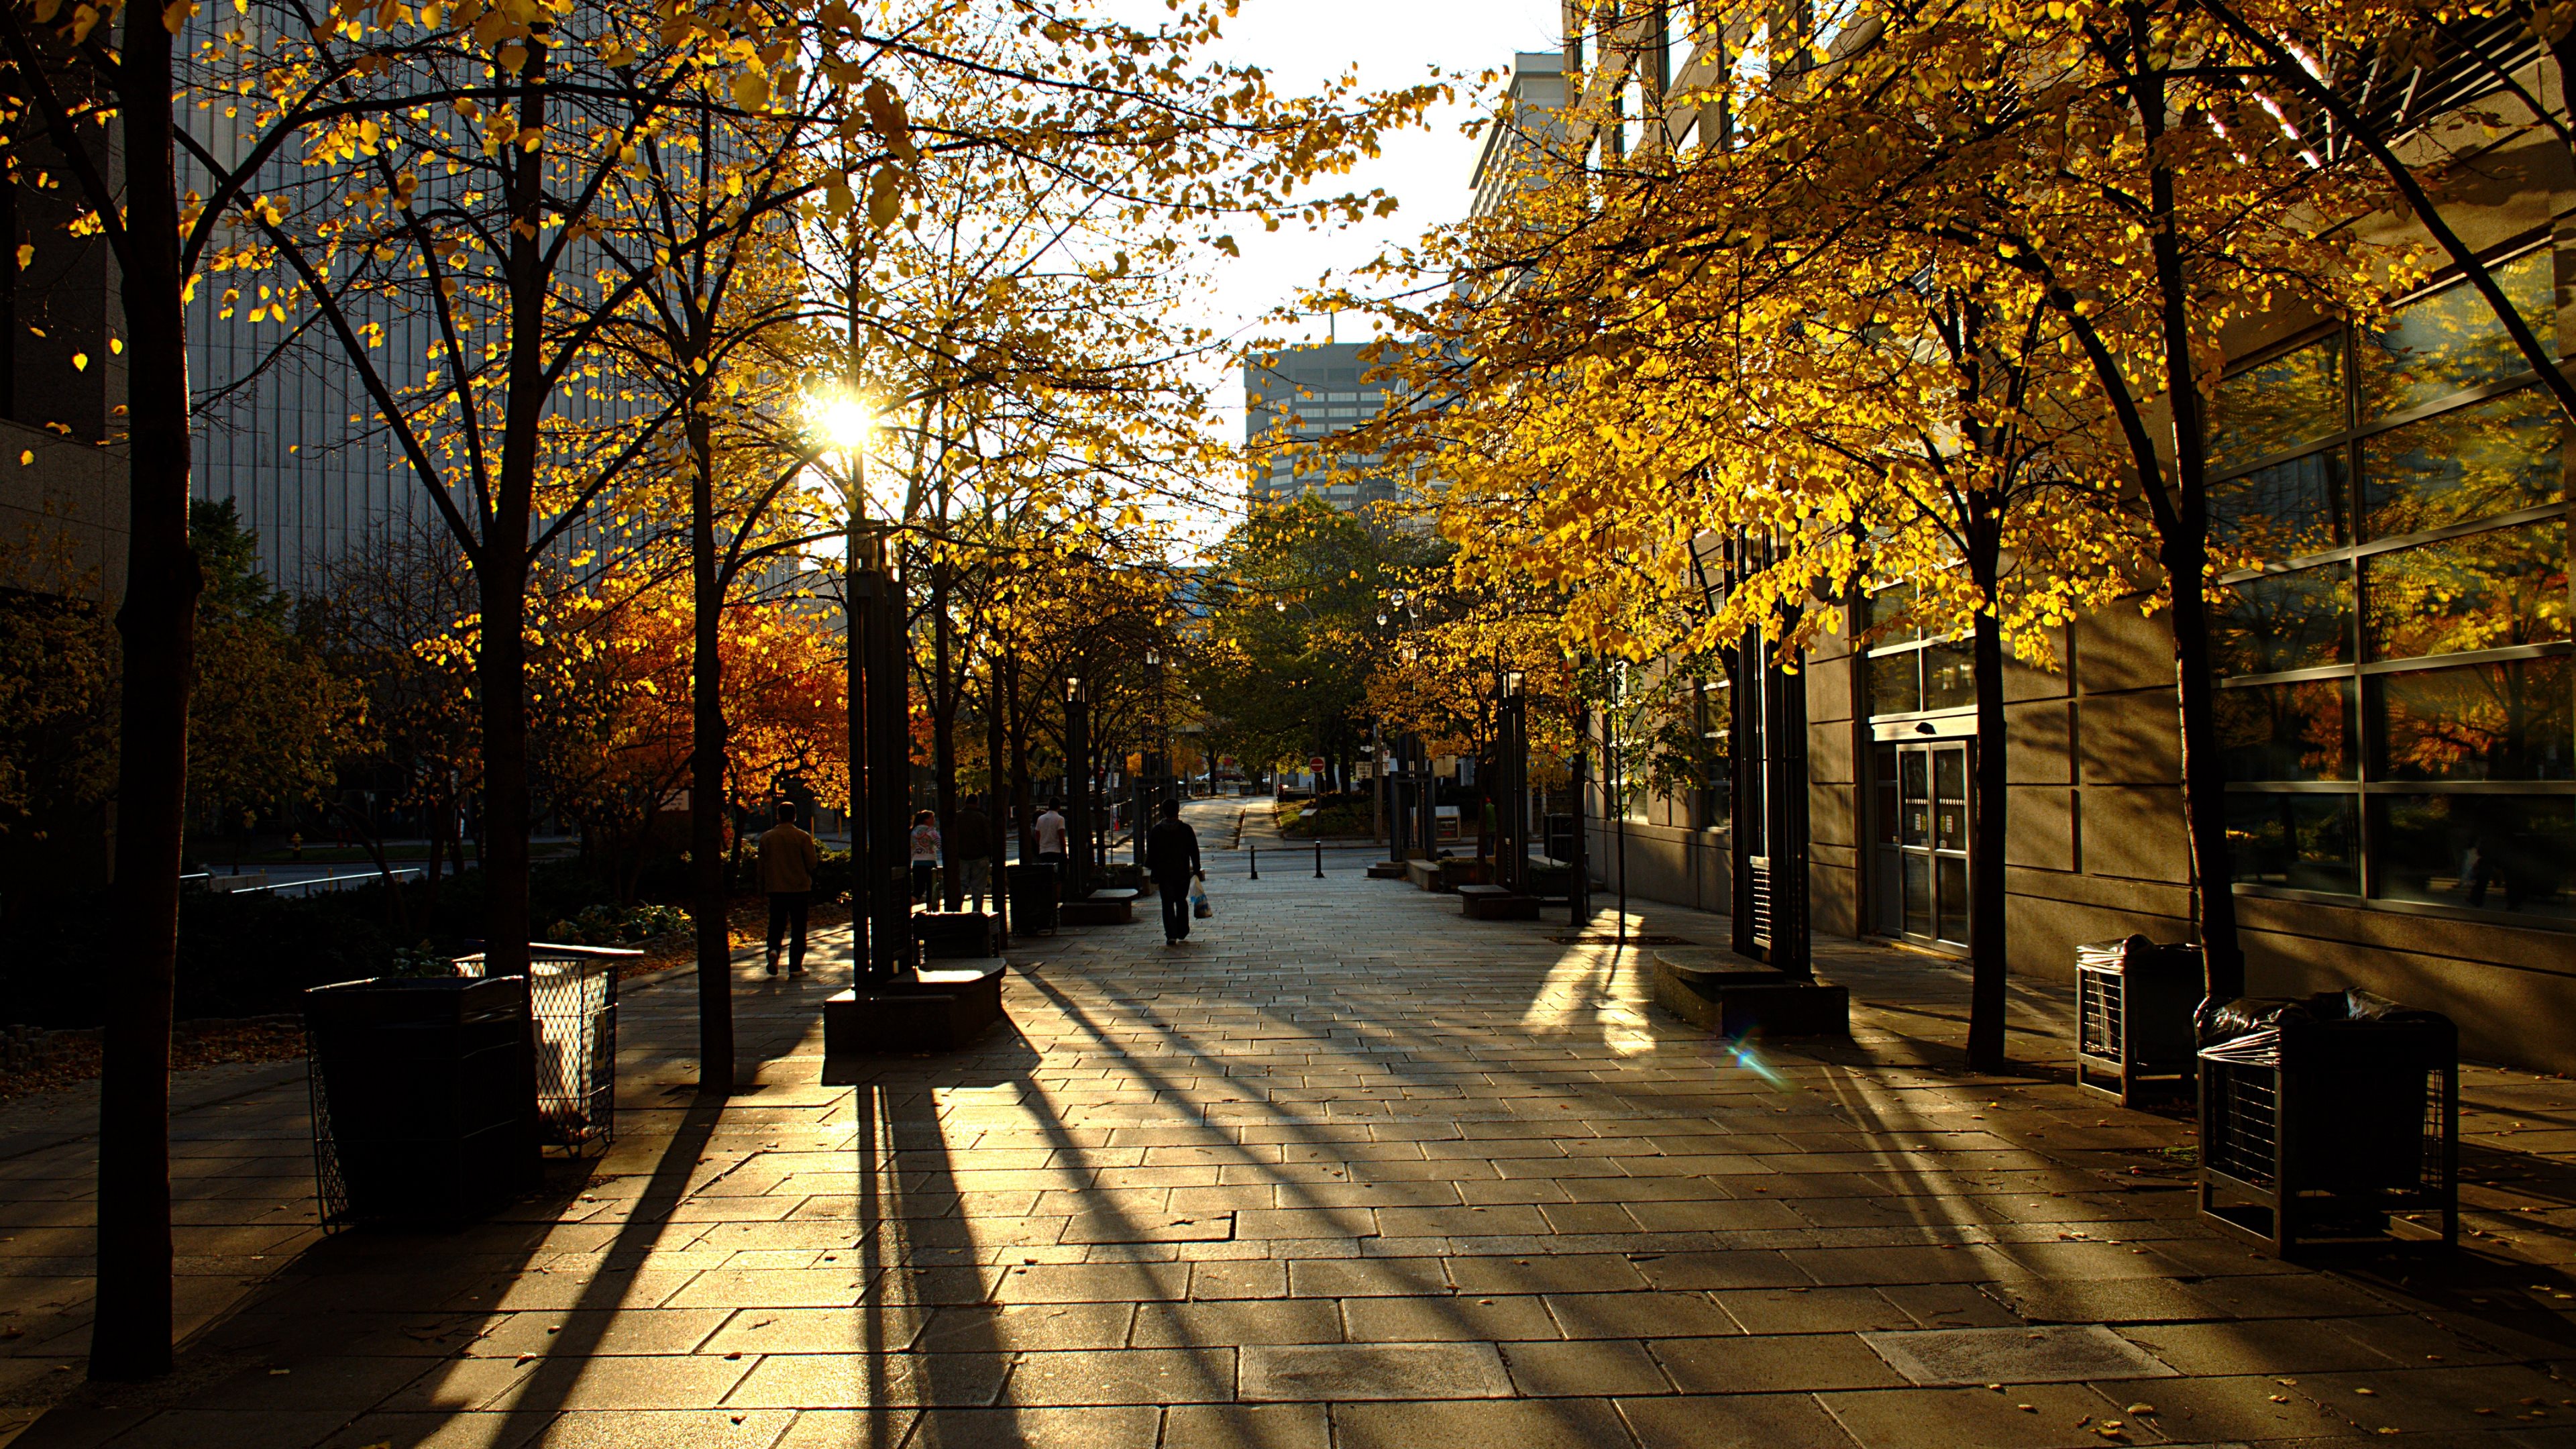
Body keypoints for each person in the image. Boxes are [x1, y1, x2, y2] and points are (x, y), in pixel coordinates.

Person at [757, 801, 821, 977]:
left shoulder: (767, 838)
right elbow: (812, 863)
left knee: (776, 924)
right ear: (794, 816)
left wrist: (762, 887)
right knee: (799, 928)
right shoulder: (802, 837)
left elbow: (761, 867)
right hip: (799, 888)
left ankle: (774, 950)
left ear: (778, 816)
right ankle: (795, 966)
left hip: (776, 888)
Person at [1143, 799, 1203, 947]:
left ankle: (1171, 934)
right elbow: (1194, 851)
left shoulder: (1156, 831)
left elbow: (1151, 853)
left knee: (1167, 903)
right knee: (1181, 901)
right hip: (1181, 873)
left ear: (1164, 812)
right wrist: (1196, 869)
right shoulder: (1186, 830)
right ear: (1178, 811)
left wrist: (1152, 868)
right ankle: (1182, 929)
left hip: (1164, 874)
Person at [950, 797, 994, 913]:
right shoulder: (982, 818)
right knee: (978, 887)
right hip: (980, 855)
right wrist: (990, 854)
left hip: (962, 856)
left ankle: (956, 909)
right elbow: (988, 838)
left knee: (962, 883)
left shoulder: (957, 817)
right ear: (977, 803)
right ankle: (977, 912)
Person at [908, 810, 941, 904]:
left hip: (917, 863)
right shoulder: (930, 831)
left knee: (918, 890)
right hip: (930, 862)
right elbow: (939, 844)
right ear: (926, 820)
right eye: (932, 818)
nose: (934, 820)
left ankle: (908, 906)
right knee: (932, 889)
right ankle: (930, 910)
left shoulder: (913, 831)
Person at [1032, 801, 1068, 865]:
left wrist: (1040, 845)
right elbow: (1061, 836)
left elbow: (1037, 834)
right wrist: (1064, 851)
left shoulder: (1040, 819)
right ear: (1059, 807)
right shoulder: (1060, 819)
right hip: (1056, 850)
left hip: (1043, 850)